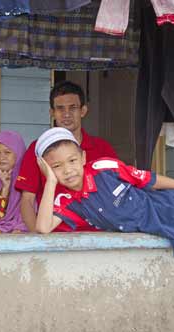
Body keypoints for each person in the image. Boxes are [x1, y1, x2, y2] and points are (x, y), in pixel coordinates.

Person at [35, 127, 174, 260]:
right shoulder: (68, 201)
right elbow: (43, 227)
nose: (68, 170)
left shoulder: (105, 168)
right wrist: (51, 182)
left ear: (83, 158)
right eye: (57, 166)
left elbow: (152, 180)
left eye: (72, 161)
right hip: (168, 226)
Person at [15, 80, 117, 232]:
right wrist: (37, 238)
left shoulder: (102, 148)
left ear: (83, 111)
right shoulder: (37, 150)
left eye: (73, 108)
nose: (66, 114)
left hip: (100, 235)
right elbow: (27, 200)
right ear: (52, 113)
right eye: (60, 108)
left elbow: (117, 192)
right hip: (55, 237)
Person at [0, 131, 28, 233]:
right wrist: (5, 188)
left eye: (7, 152)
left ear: (18, 154)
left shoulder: (27, 181)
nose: (2, 157)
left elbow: (29, 219)